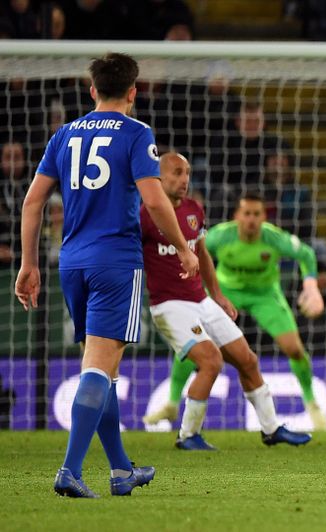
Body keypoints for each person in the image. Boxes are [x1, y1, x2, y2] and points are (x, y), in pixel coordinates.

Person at [14, 52, 199, 498]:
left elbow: (32, 202)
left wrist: (28, 262)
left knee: (105, 367)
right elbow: (155, 201)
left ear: (92, 89)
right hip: (115, 261)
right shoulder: (137, 133)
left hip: (71, 261)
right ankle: (70, 471)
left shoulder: (64, 134)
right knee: (99, 366)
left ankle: (120, 470)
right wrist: (181, 246)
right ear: (134, 92)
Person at [140, 153, 311, 449]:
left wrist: (217, 295)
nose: (184, 180)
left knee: (248, 360)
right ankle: (188, 435)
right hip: (169, 305)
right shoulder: (144, 215)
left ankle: (271, 429)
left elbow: (203, 254)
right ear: (159, 177)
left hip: (201, 300)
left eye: (188, 173)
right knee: (211, 361)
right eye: (177, 173)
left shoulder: (194, 209)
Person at [202, 193, 326, 431]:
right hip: (227, 291)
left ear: (263, 216)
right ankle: (172, 401)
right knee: (196, 341)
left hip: (264, 295)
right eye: (247, 214)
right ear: (237, 216)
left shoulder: (273, 237)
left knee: (294, 349)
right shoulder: (220, 235)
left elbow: (306, 254)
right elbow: (195, 253)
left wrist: (311, 286)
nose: (251, 219)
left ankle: (311, 403)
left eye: (256, 214)